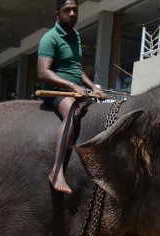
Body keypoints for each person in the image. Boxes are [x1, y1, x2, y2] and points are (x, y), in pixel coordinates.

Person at [38, 0, 107, 194]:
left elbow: (77, 69)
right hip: (57, 93)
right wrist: (71, 85)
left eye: (74, 9)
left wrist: (93, 87)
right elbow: (43, 73)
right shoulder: (49, 38)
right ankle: (57, 170)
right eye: (66, 10)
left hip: (76, 90)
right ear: (57, 13)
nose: (71, 13)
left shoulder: (75, 36)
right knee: (73, 113)